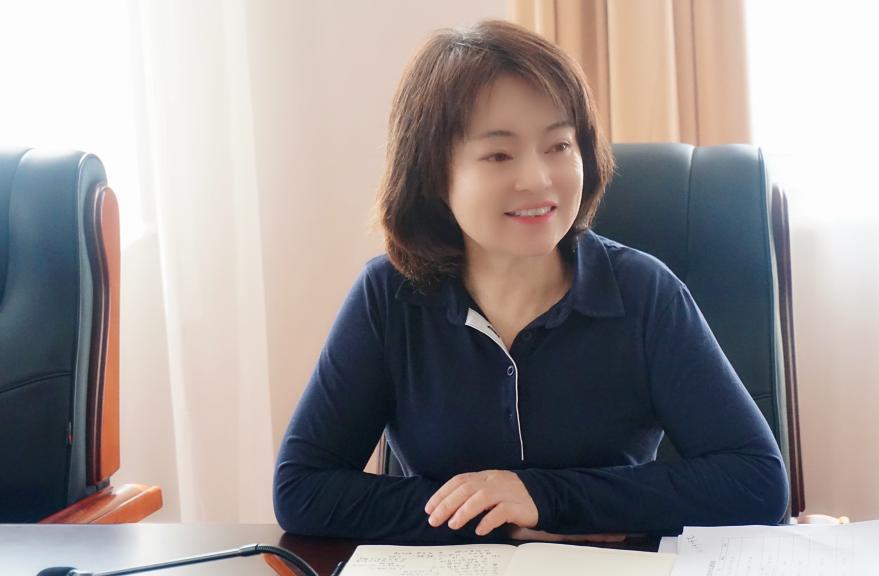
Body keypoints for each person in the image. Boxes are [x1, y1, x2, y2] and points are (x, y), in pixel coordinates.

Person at [273, 19, 788, 544]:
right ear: (433, 174)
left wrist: (548, 499)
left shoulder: (644, 293)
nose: (539, 180)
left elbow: (756, 483)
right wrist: (497, 519)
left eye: (559, 146)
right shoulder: (389, 296)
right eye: (499, 155)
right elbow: (302, 490)